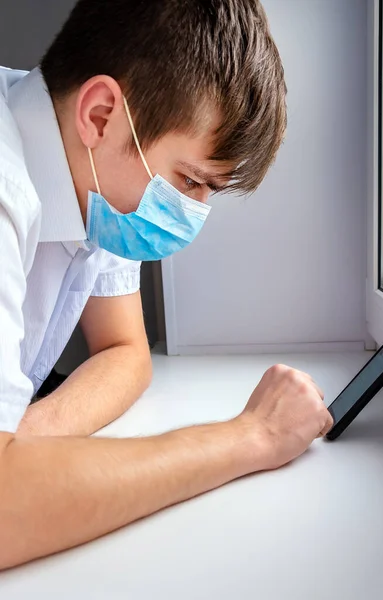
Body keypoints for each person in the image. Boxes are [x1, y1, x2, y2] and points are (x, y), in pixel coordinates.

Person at [0, 0, 333, 569]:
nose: (192, 212)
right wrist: (250, 437)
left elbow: (126, 350)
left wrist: (24, 441)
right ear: (101, 114)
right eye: (189, 181)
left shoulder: (92, 174)